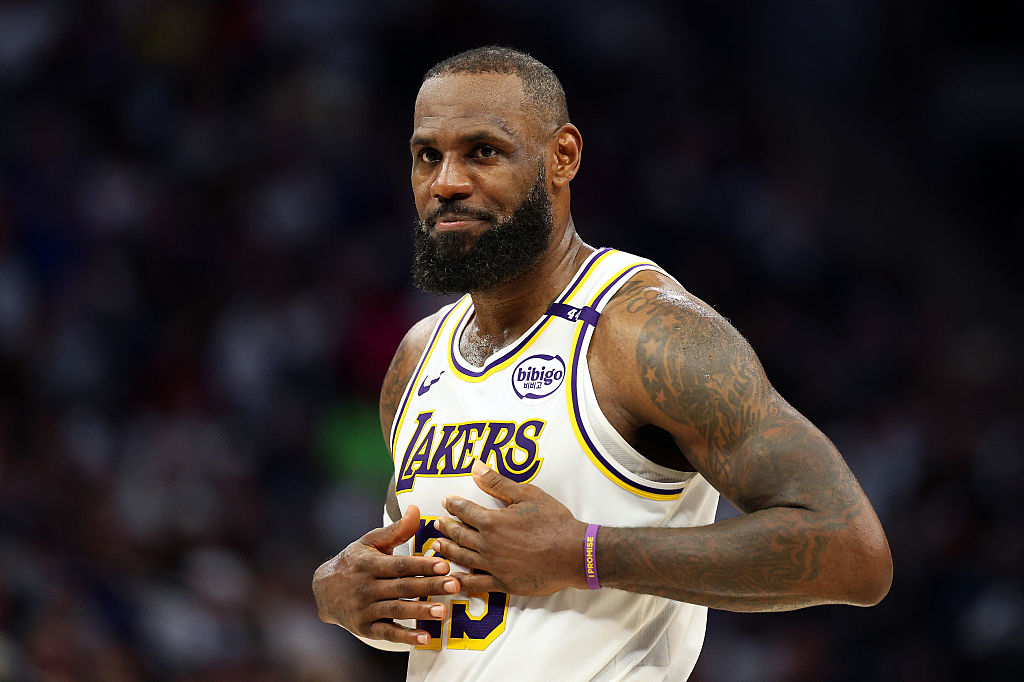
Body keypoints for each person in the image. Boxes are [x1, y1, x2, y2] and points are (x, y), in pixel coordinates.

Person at [313, 46, 892, 681]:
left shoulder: (642, 330)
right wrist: (342, 593)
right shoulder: (417, 357)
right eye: (428, 155)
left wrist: (586, 555)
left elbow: (851, 551)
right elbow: (444, 608)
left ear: (562, 157)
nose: (447, 182)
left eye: (483, 151)